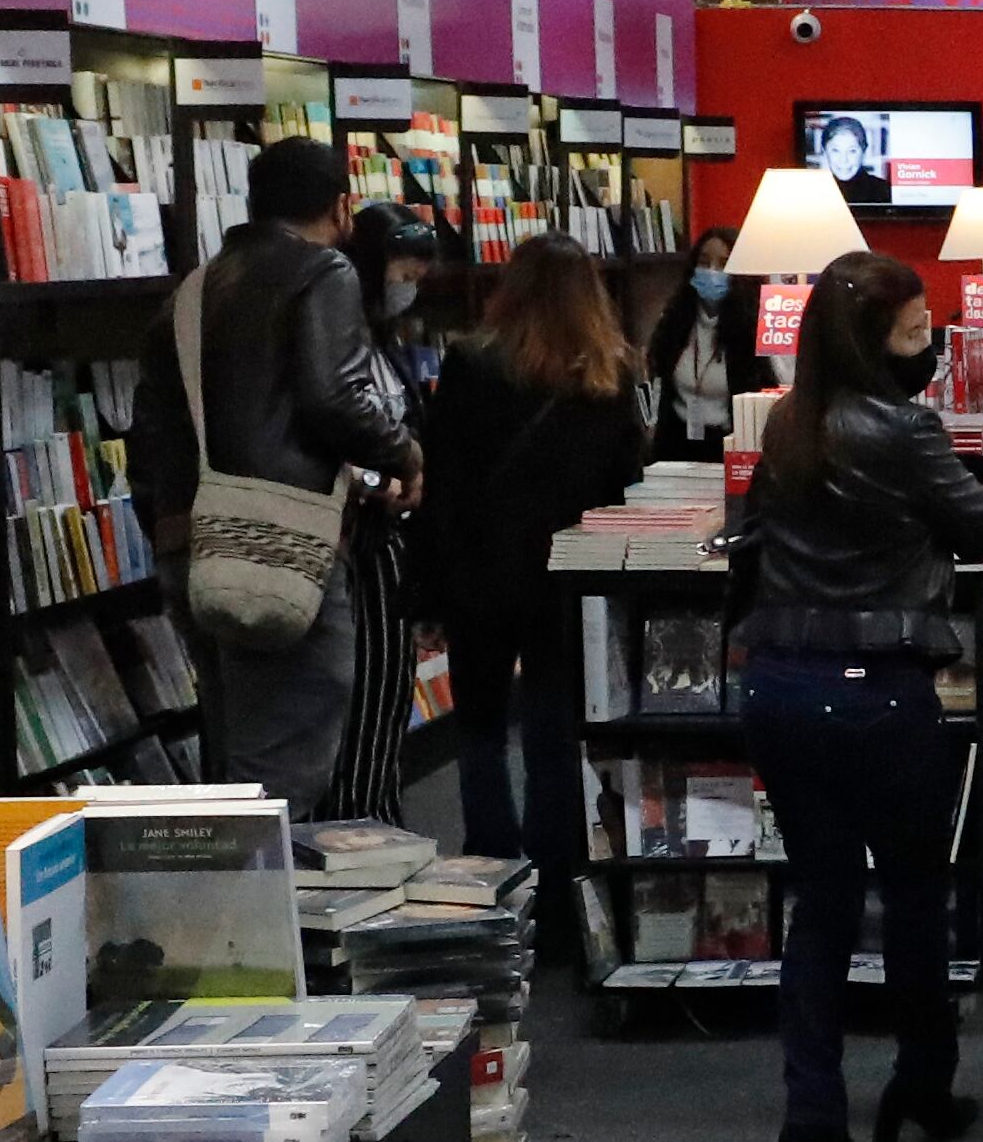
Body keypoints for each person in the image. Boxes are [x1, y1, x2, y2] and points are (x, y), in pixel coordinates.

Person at [732, 249, 983, 1142]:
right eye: (916, 336)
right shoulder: (905, 428)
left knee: (822, 904)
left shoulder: (786, 425)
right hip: (884, 691)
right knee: (916, 900)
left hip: (780, 686)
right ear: (875, 344)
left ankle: (811, 1117)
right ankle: (923, 1081)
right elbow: (977, 530)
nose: (925, 351)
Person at [187, 136, 425, 812]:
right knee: (296, 747)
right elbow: (335, 397)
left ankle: (247, 899)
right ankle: (271, 908)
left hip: (202, 544)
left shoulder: (201, 284)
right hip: (291, 544)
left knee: (244, 745)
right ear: (341, 207)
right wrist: (402, 453)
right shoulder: (325, 272)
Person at [421, 237, 647, 860]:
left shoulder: (470, 362)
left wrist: (432, 590)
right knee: (554, 729)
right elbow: (623, 486)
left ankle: (490, 860)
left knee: (481, 728)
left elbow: (446, 485)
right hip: (567, 579)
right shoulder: (611, 373)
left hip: (482, 574)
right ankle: (556, 873)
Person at [647, 224, 760, 458]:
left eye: (723, 264)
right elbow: (661, 379)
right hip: (677, 443)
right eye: (704, 261)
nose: (712, 271)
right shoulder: (675, 321)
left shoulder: (751, 328)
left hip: (730, 446)